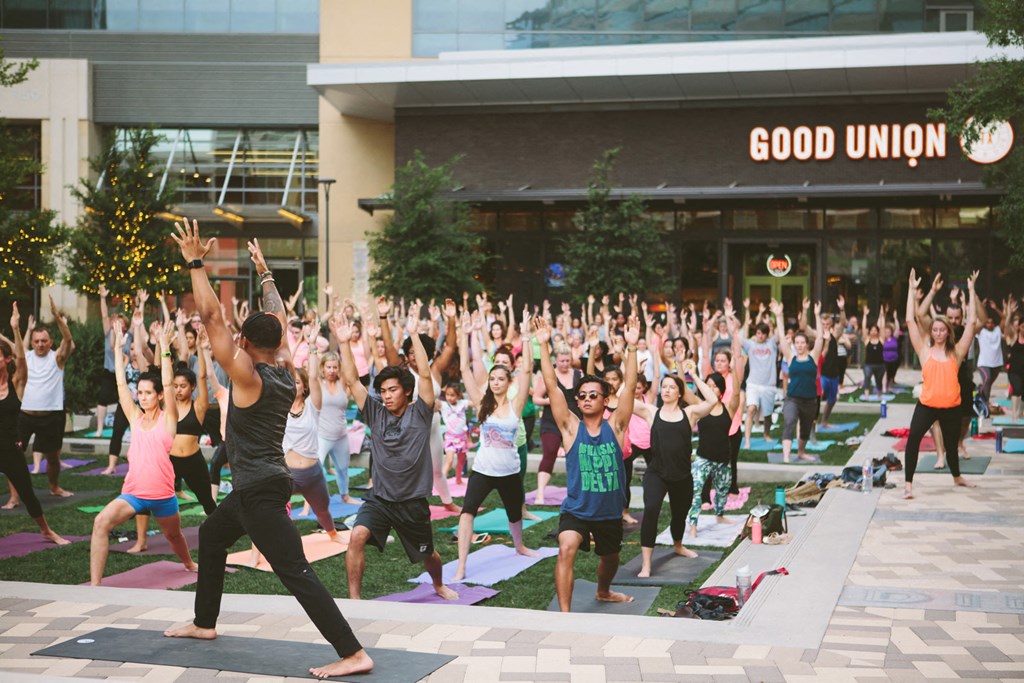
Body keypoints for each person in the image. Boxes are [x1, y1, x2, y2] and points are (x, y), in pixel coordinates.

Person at [163, 219, 371, 679]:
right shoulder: (282, 369)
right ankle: (204, 622)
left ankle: (353, 651)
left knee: (296, 573)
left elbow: (214, 318)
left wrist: (197, 262)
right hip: (259, 484)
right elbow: (277, 319)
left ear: (243, 344)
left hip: (259, 489)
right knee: (214, 537)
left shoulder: (249, 377)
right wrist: (266, 274)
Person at [336, 299, 458, 603]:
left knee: (427, 554)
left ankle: (439, 584)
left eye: (393, 390)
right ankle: (354, 601)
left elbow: (427, 376)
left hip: (412, 502)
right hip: (380, 498)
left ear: (406, 391)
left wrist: (415, 335)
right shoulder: (375, 413)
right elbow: (352, 380)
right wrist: (342, 343)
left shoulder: (420, 413)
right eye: (383, 391)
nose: (387, 396)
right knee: (356, 537)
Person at [535, 315, 640, 611]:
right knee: (566, 547)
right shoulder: (570, 428)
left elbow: (630, 387)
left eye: (595, 395)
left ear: (606, 401)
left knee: (610, 558)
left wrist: (631, 348)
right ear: (578, 403)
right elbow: (552, 387)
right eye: (582, 396)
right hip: (577, 509)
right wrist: (543, 346)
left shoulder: (616, 426)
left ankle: (603, 590)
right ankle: (565, 616)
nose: (588, 399)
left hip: (608, 511)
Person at [90, 320, 196, 584]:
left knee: (174, 536)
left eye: (149, 393)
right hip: (134, 495)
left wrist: (164, 349)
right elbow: (121, 386)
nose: (142, 397)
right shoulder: (135, 417)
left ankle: (188, 562)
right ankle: (93, 585)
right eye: (141, 392)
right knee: (100, 522)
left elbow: (170, 384)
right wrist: (117, 349)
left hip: (163, 496)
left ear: (159, 396)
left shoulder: (168, 419)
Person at [453, 310, 538, 581]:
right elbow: (465, 369)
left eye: (501, 379)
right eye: (493, 379)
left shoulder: (516, 405)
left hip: (509, 470)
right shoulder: (482, 403)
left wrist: (525, 337)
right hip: (483, 470)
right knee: (467, 512)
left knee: (515, 513)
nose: (496, 382)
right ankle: (462, 565)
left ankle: (520, 546)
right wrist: (465, 334)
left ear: (509, 382)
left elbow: (526, 369)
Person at [631, 359, 717, 576]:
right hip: (656, 473)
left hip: (681, 476)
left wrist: (694, 375)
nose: (666, 390)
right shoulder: (651, 412)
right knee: (651, 510)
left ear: (680, 393)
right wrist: (634, 373)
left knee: (679, 515)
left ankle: (677, 545)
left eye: (672, 387)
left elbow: (713, 400)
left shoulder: (690, 414)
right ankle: (646, 564)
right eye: (664, 387)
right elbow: (624, 399)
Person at [902, 268, 979, 499]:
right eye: (934, 329)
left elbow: (973, 322)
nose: (937, 332)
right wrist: (911, 289)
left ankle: (957, 477)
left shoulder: (957, 352)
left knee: (952, 447)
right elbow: (909, 320)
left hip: (951, 407)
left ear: (947, 332)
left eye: (941, 329)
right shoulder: (924, 351)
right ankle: (908, 485)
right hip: (926, 405)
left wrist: (972, 290)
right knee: (913, 439)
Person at [0, 303, 69, 545]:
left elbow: (21, 358)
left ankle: (46, 531)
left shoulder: (17, 381)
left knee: (28, 494)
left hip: (9, 449)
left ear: (6, 359)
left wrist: (16, 329)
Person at [283, 336, 347, 546]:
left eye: (297, 382)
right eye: (290, 381)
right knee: (272, 511)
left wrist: (311, 348)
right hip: (286, 473)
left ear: (304, 387)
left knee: (322, 510)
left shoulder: (313, 406)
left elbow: (313, 376)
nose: (294, 385)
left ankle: (333, 534)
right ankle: (266, 548)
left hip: (311, 473)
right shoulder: (279, 407)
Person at [18, 294, 75, 497]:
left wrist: (57, 317)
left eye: (44, 341)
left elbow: (68, 339)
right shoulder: (25, 357)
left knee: (52, 458)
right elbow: (18, 345)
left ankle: (54, 487)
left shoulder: (57, 359)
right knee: (15, 456)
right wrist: (21, 328)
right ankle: (15, 496)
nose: (40, 344)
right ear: (32, 342)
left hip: (51, 416)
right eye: (37, 341)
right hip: (25, 415)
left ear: (51, 342)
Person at [689, 333, 745, 537]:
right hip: (703, 459)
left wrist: (735, 370)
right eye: (708, 386)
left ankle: (719, 515)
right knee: (696, 491)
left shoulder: (728, 409)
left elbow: (737, 393)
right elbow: (685, 392)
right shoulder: (700, 406)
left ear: (721, 391)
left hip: (723, 460)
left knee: (722, 491)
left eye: (715, 387)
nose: (711, 389)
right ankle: (693, 523)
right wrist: (686, 368)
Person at [773, 299, 825, 463]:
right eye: (797, 343)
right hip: (792, 398)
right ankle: (786, 456)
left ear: (806, 344)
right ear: (794, 344)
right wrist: (779, 316)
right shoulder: (790, 357)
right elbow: (781, 338)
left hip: (810, 400)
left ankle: (801, 452)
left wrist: (816, 315)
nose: (800, 345)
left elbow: (820, 339)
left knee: (805, 428)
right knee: (789, 421)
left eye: (803, 342)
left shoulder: (813, 357)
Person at [532, 344, 581, 505]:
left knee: (574, 456)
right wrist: (551, 400)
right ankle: (540, 494)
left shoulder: (578, 374)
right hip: (551, 420)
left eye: (568, 360)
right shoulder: (549, 375)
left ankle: (575, 492)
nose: (565, 364)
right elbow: (536, 398)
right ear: (556, 360)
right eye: (562, 361)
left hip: (573, 421)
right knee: (550, 452)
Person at [316, 351, 359, 505]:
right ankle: (317, 499)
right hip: (322, 435)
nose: (332, 370)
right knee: (316, 470)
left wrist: (344, 343)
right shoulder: (318, 384)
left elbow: (352, 369)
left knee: (343, 468)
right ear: (322, 367)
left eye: (335, 367)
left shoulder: (343, 384)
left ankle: (345, 496)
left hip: (341, 434)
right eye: (328, 367)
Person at [742, 321, 778, 449]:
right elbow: (737, 337)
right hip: (753, 384)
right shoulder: (750, 345)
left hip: (769, 386)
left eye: (763, 334)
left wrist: (778, 316)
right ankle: (747, 440)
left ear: (767, 335)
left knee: (767, 415)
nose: (760, 336)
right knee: (751, 409)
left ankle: (766, 434)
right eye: (758, 333)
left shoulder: (772, 344)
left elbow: (780, 333)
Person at [440, 382, 470, 485]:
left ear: (458, 395)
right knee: (449, 459)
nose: (449, 397)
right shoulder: (443, 405)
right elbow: (432, 401)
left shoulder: (462, 403)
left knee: (462, 459)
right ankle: (442, 482)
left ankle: (458, 478)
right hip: (450, 438)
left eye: (452, 395)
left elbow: (475, 402)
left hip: (462, 438)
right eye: (447, 394)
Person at [860, 307, 885, 400]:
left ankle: (879, 395)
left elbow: (882, 327)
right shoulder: (867, 340)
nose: (873, 332)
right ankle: (866, 395)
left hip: (880, 365)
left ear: (877, 332)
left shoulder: (881, 340)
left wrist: (882, 316)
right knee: (867, 378)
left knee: (879, 381)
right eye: (872, 330)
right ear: (869, 331)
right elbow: (863, 328)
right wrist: (865, 315)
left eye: (875, 330)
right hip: (868, 365)